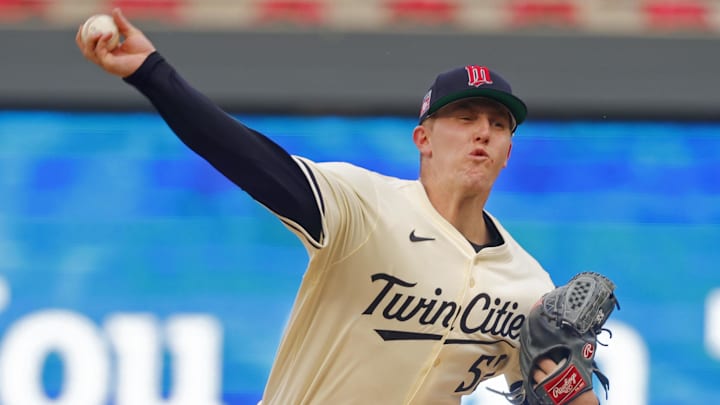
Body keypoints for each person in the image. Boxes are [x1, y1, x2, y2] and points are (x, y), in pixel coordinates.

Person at [76, 9, 601, 405]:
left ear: (509, 151)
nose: (483, 132)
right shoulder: (361, 207)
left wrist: (572, 386)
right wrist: (152, 73)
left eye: (499, 124)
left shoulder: (528, 285)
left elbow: (560, 396)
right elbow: (245, 157)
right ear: (424, 137)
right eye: (464, 117)